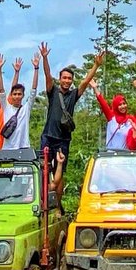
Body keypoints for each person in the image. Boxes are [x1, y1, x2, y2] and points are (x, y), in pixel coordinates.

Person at [37, 44, 102, 189]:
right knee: (43, 170)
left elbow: (85, 82)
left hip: (63, 140)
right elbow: (47, 75)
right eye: (64, 78)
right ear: (60, 79)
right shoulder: (53, 91)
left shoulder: (73, 95)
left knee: (60, 171)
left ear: (72, 81)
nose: (67, 81)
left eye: (69, 79)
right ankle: (43, 202)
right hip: (48, 136)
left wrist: (96, 65)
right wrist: (45, 57)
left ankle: (58, 207)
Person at [0, 59, 33, 152]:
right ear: (11, 95)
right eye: (14, 94)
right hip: (7, 148)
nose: (17, 96)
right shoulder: (6, 107)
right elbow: (1, 90)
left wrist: (36, 69)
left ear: (23, 95)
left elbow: (33, 90)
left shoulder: (26, 108)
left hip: (24, 147)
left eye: (19, 94)